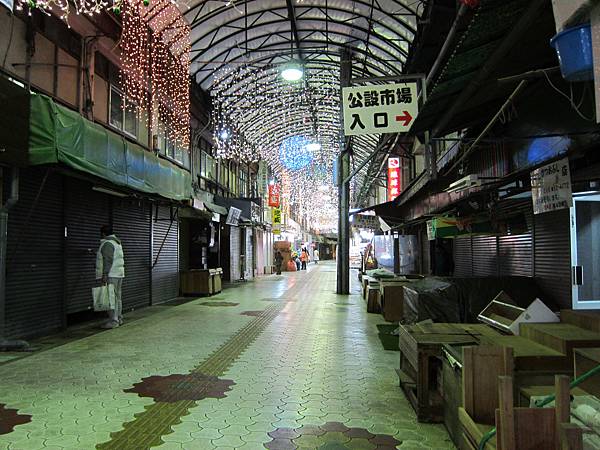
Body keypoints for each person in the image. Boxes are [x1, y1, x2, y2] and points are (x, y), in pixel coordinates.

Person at [96, 225, 125, 328]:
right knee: (117, 297)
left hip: (111, 274)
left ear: (103, 233)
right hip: (119, 273)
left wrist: (104, 274)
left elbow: (108, 260)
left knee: (111, 298)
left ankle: (113, 321)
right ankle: (119, 318)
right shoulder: (117, 242)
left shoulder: (108, 243)